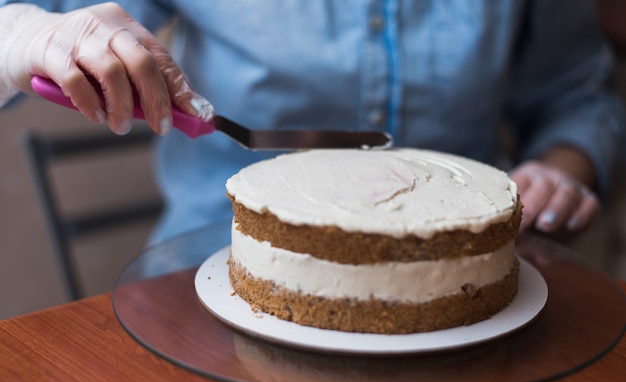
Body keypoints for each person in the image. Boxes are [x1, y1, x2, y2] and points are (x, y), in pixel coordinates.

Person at [0, 1, 624, 245]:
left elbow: (578, 93)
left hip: (467, 271)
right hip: (209, 268)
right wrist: (23, 33)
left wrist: (562, 168)